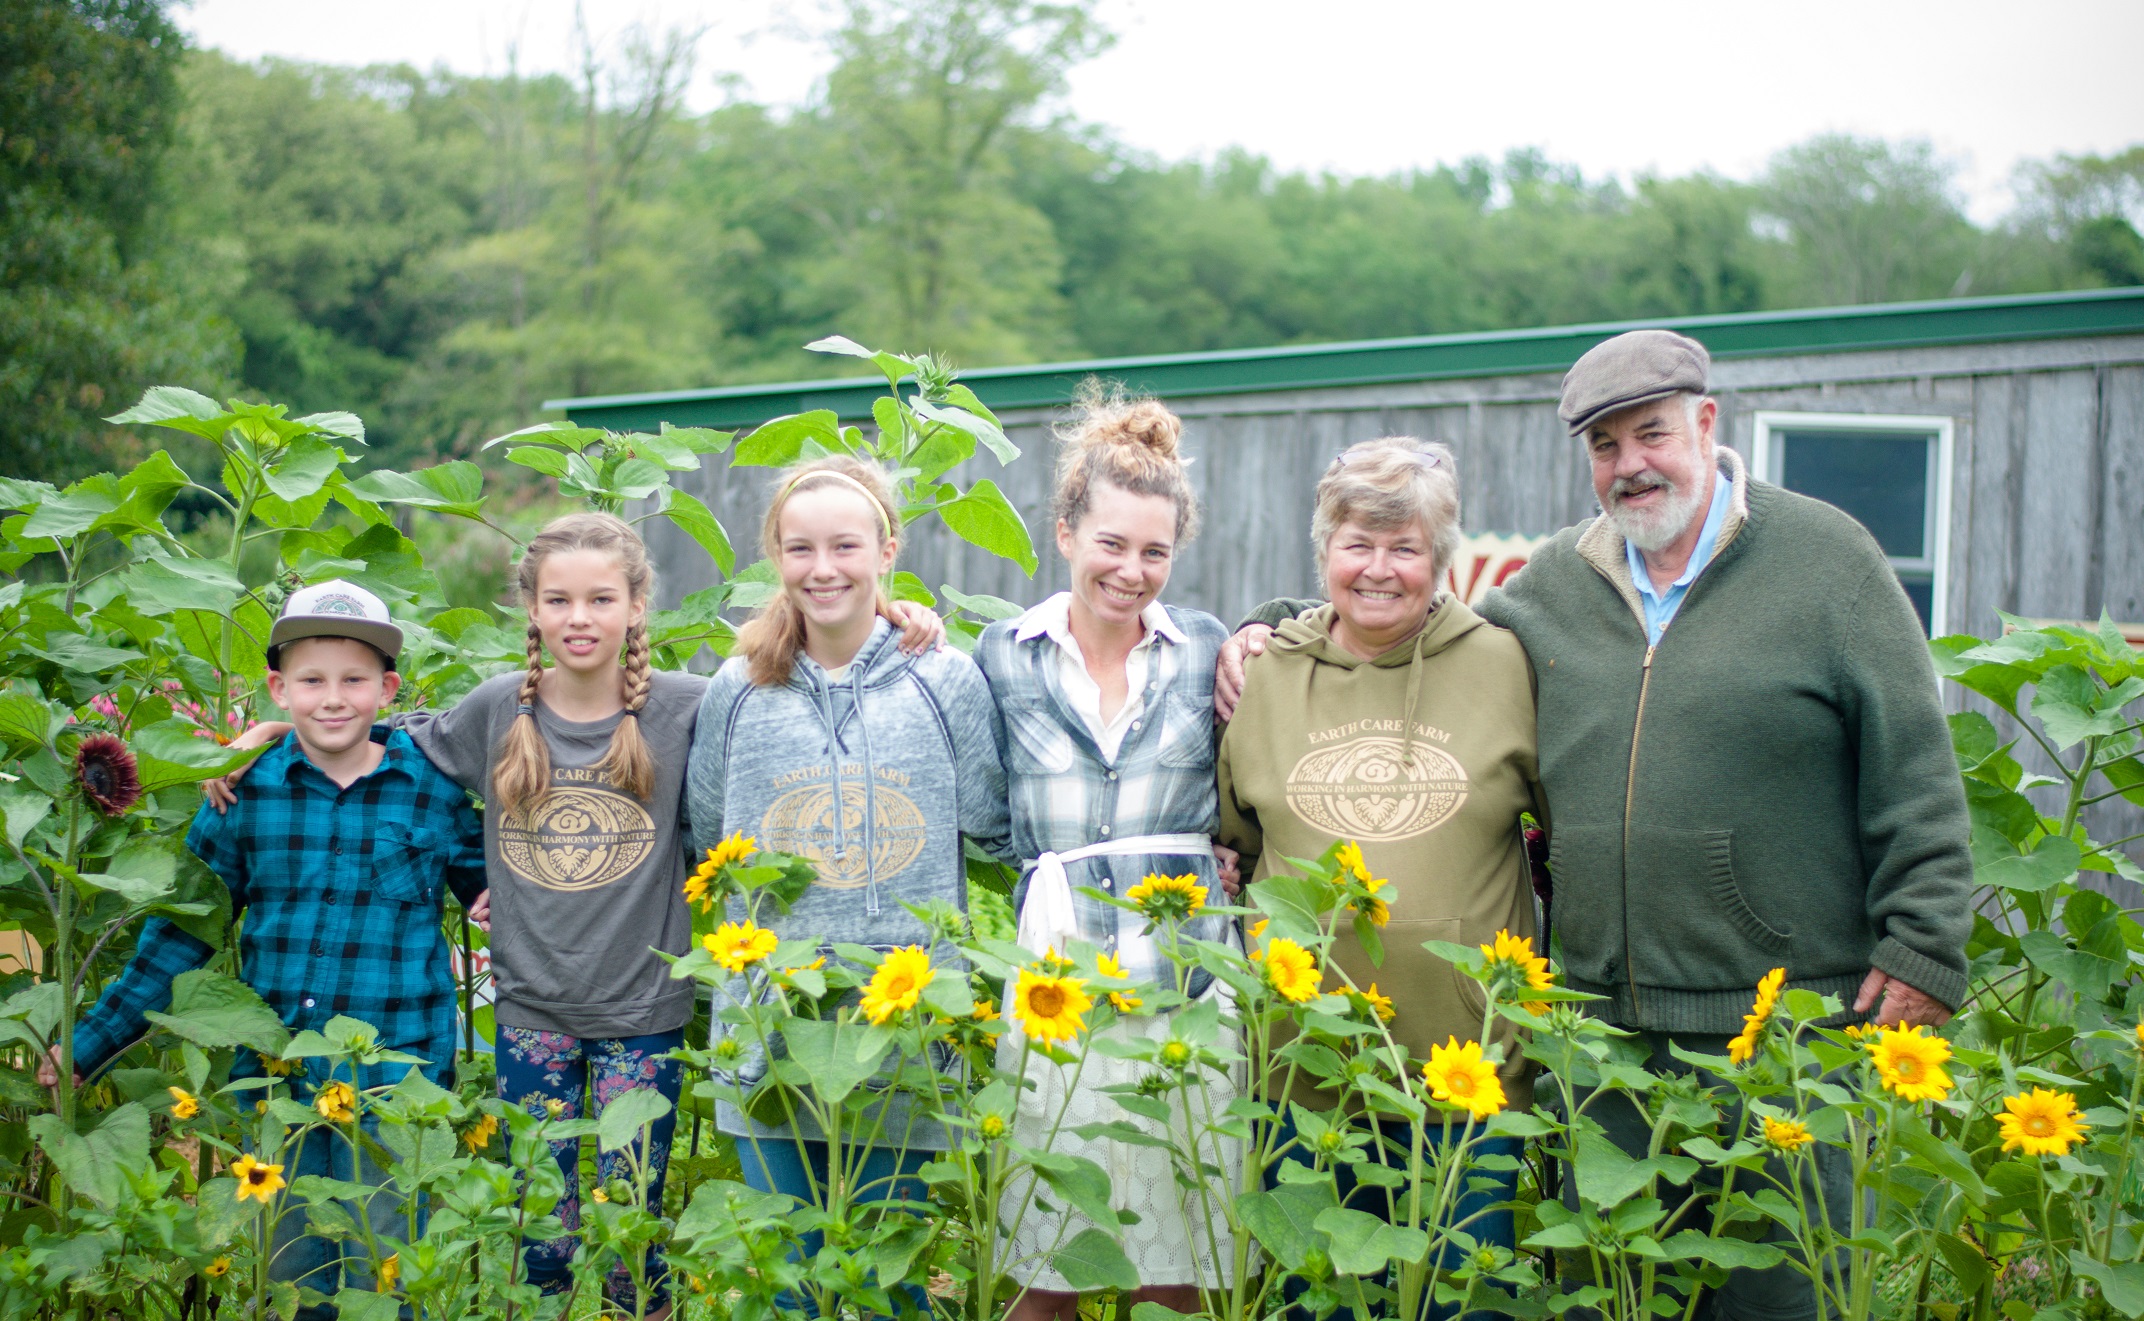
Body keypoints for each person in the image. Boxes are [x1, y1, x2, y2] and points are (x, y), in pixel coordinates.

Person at [1219, 330, 1976, 1321]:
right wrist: (1274, 622)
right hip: (1601, 1029)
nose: (1630, 465)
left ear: (1704, 425)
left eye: (1649, 434)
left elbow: (1912, 761)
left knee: (1783, 1290)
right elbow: (1393, 605)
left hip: (1779, 1022)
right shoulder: (1552, 590)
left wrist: (1923, 941)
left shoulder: (1824, 559)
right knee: (1611, 1293)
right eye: (1605, 446)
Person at [52, 580, 487, 1320]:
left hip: (396, 1086)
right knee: (290, 1281)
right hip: (278, 1082)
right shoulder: (241, 795)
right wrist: (84, 1047)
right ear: (278, 688)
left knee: (391, 1279)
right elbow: (179, 935)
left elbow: (501, 890)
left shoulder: (434, 792)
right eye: (312, 680)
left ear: (388, 686)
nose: (333, 699)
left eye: (354, 680)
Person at [1216, 438, 1540, 1316]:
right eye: (1358, 542)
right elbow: (1235, 847)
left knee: (1458, 1301)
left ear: (1441, 557)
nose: (1379, 569)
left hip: (1467, 1080)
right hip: (1302, 1082)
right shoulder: (1264, 674)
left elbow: (1558, 839)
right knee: (1312, 1302)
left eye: (1406, 547)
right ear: (1324, 550)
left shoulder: (1507, 664)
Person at [683, 455, 1012, 1309]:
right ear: (775, 557)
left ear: (887, 550)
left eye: (844, 546)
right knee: (788, 1276)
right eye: (799, 548)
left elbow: (996, 822)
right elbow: (709, 832)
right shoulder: (736, 689)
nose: (822, 568)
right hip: (771, 1023)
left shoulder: (945, 678)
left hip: (901, 1026)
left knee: (885, 1276)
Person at [974, 391, 1240, 1320]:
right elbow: (980, 806)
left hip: (1189, 966)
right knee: (1051, 1246)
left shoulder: (1208, 647)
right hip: (1059, 962)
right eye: (1111, 544)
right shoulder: (1002, 654)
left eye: (1155, 551)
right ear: (1065, 533)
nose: (1131, 570)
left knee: (1184, 1247)